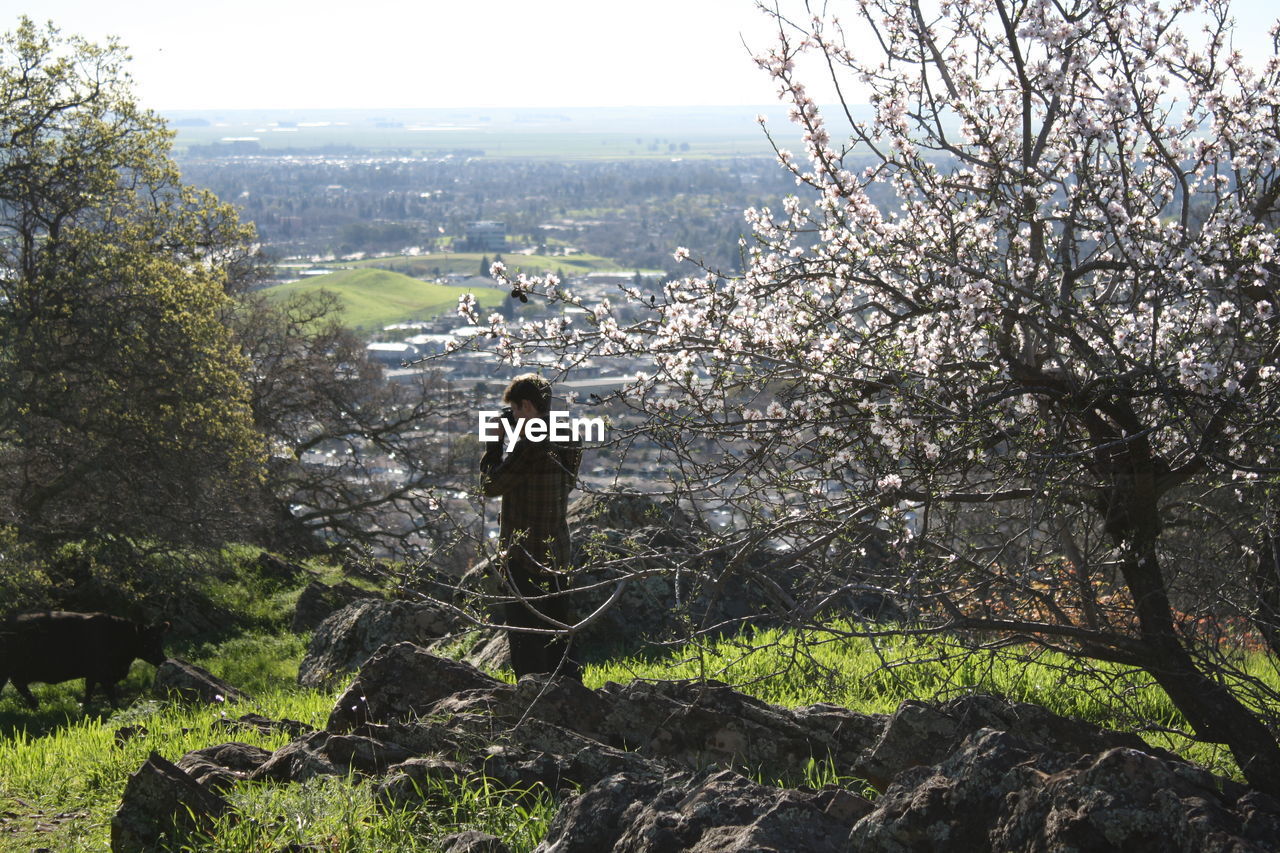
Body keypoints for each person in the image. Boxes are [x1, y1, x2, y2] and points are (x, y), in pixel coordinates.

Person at [480, 373, 583, 679]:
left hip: (524, 555)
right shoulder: (568, 436)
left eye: (513, 410)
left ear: (526, 406)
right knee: (560, 633)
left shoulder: (529, 445)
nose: (511, 416)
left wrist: (495, 444)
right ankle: (571, 696)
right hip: (558, 551)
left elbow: (490, 485)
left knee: (526, 641)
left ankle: (532, 700)